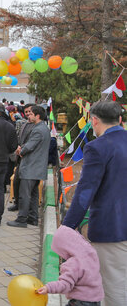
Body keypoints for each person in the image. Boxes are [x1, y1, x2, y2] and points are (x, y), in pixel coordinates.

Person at [62, 101, 127, 306]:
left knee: (113, 287)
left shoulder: (97, 147)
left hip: (113, 228)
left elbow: (84, 193)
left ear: (94, 120)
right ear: (120, 120)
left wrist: (67, 227)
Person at [35, 226, 103, 306]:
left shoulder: (74, 263)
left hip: (80, 302)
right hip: (95, 301)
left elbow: (65, 284)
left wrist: (48, 288)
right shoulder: (91, 254)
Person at [8, 105, 50, 228]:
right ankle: (33, 218)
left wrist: (20, 150)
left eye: (31, 114)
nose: (29, 116)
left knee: (24, 194)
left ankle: (22, 219)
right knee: (33, 193)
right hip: (37, 167)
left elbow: (30, 146)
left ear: (37, 116)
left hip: (31, 167)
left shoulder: (38, 129)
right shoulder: (44, 128)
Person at [8, 103, 35, 212]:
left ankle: (26, 209)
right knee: (16, 182)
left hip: (29, 158)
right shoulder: (23, 124)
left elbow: (32, 142)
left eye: (30, 112)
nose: (28, 114)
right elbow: (19, 137)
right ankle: (17, 203)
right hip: (20, 157)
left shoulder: (36, 126)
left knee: (27, 186)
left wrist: (22, 148)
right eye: (26, 112)